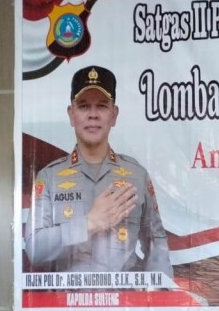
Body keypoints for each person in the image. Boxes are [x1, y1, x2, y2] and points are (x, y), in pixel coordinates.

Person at [25, 65, 173, 275]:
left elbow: (157, 245)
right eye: (84, 106)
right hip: (69, 296)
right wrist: (89, 223)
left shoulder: (136, 176)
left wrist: (159, 293)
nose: (93, 115)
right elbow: (34, 249)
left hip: (125, 295)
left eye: (102, 106)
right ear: (71, 114)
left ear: (114, 114)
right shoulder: (50, 178)